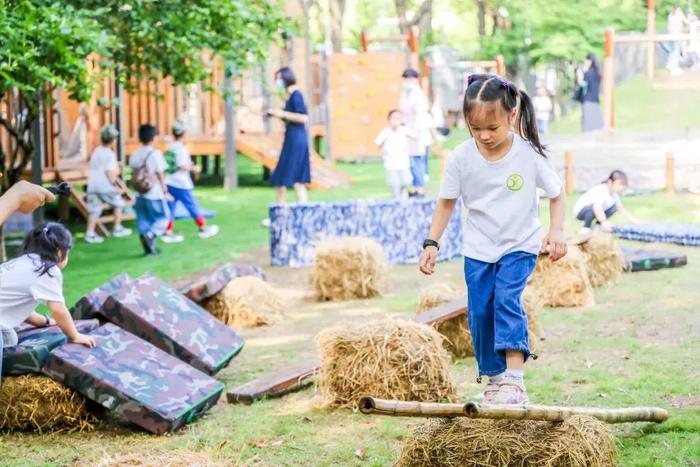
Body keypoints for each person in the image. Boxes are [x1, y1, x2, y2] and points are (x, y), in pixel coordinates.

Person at [419, 74, 567, 405]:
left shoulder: (527, 154)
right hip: (478, 248)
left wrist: (556, 230)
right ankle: (495, 379)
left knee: (505, 301)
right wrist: (431, 243)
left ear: (512, 116)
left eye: (493, 128)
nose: (484, 136)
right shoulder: (461, 157)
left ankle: (515, 379)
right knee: (480, 312)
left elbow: (557, 194)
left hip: (519, 245)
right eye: (476, 129)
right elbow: (446, 202)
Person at [0, 222, 96, 387]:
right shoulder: (47, 270)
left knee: (10, 338)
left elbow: (14, 306)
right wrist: (75, 336)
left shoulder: (24, 262)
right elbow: (59, 310)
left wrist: (44, 321)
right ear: (60, 251)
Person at [129, 124, 181, 256]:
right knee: (163, 218)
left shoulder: (135, 154)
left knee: (143, 218)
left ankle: (148, 244)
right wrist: (165, 191)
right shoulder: (155, 154)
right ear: (153, 137)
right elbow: (160, 174)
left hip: (139, 192)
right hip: (153, 192)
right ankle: (150, 235)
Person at [163, 120, 219, 240]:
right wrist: (193, 168)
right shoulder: (182, 149)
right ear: (183, 134)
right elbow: (183, 166)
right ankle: (203, 227)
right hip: (182, 183)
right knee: (192, 206)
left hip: (170, 182)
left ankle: (167, 230)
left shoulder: (170, 148)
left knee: (170, 208)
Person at [267, 67, 311, 205]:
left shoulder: (296, 94)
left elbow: (303, 117)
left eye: (279, 79)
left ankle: (286, 212)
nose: (278, 82)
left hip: (296, 139)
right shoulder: (289, 96)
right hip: (292, 137)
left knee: (290, 178)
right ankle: (289, 211)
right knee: (290, 180)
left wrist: (282, 114)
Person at [84, 125, 133, 244]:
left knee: (94, 210)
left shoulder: (96, 151)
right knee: (118, 204)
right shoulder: (109, 154)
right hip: (105, 186)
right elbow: (109, 173)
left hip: (93, 185)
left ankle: (89, 233)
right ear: (113, 140)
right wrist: (116, 185)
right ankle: (117, 227)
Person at [398, 68, 432, 197]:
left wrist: (416, 131)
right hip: (406, 130)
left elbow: (420, 115)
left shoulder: (418, 95)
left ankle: (420, 188)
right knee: (409, 161)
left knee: (417, 160)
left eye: (410, 78)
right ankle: (413, 187)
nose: (407, 81)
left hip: (417, 132)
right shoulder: (404, 93)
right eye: (405, 78)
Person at [573, 170, 640, 233]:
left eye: (623, 185)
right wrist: (604, 222)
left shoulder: (614, 194)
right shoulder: (601, 190)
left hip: (595, 211)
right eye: (620, 184)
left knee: (615, 207)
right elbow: (596, 207)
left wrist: (634, 220)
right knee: (593, 208)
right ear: (610, 182)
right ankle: (586, 228)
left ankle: (597, 227)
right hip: (581, 212)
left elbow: (620, 208)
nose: (622, 187)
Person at [375, 110, 412, 201]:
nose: (396, 121)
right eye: (393, 118)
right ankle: (398, 200)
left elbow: (416, 135)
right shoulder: (385, 132)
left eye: (398, 118)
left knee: (407, 181)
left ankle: (402, 196)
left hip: (403, 162)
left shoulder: (404, 130)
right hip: (391, 163)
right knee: (394, 184)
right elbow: (377, 143)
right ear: (389, 120)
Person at [578, 53, 604, 132]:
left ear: (590, 61)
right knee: (596, 126)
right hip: (595, 101)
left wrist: (580, 77)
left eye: (586, 61)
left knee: (587, 125)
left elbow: (584, 85)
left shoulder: (589, 73)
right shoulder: (598, 73)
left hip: (588, 101)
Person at [666, 5, 687, 75]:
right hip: (676, 35)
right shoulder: (679, 15)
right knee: (676, 51)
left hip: (670, 35)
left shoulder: (670, 15)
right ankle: (674, 67)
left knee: (672, 51)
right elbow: (686, 22)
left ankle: (669, 66)